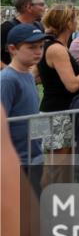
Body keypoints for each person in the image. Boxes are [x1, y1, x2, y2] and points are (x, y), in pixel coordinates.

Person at [37, 4, 79, 169]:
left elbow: (39, 77)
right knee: (57, 168)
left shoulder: (50, 45)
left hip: (53, 110)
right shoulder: (57, 49)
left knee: (59, 167)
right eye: (75, 17)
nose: (77, 20)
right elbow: (71, 85)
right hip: (58, 113)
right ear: (68, 22)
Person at [1, 24, 46, 172]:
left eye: (41, 46)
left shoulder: (28, 75)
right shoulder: (7, 79)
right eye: (32, 47)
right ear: (13, 49)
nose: (38, 52)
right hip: (17, 160)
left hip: (33, 156)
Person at [1, 0, 45, 68]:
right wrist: (11, 71)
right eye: (41, 4)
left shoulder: (39, 26)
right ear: (28, 7)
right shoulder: (7, 27)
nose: (45, 8)